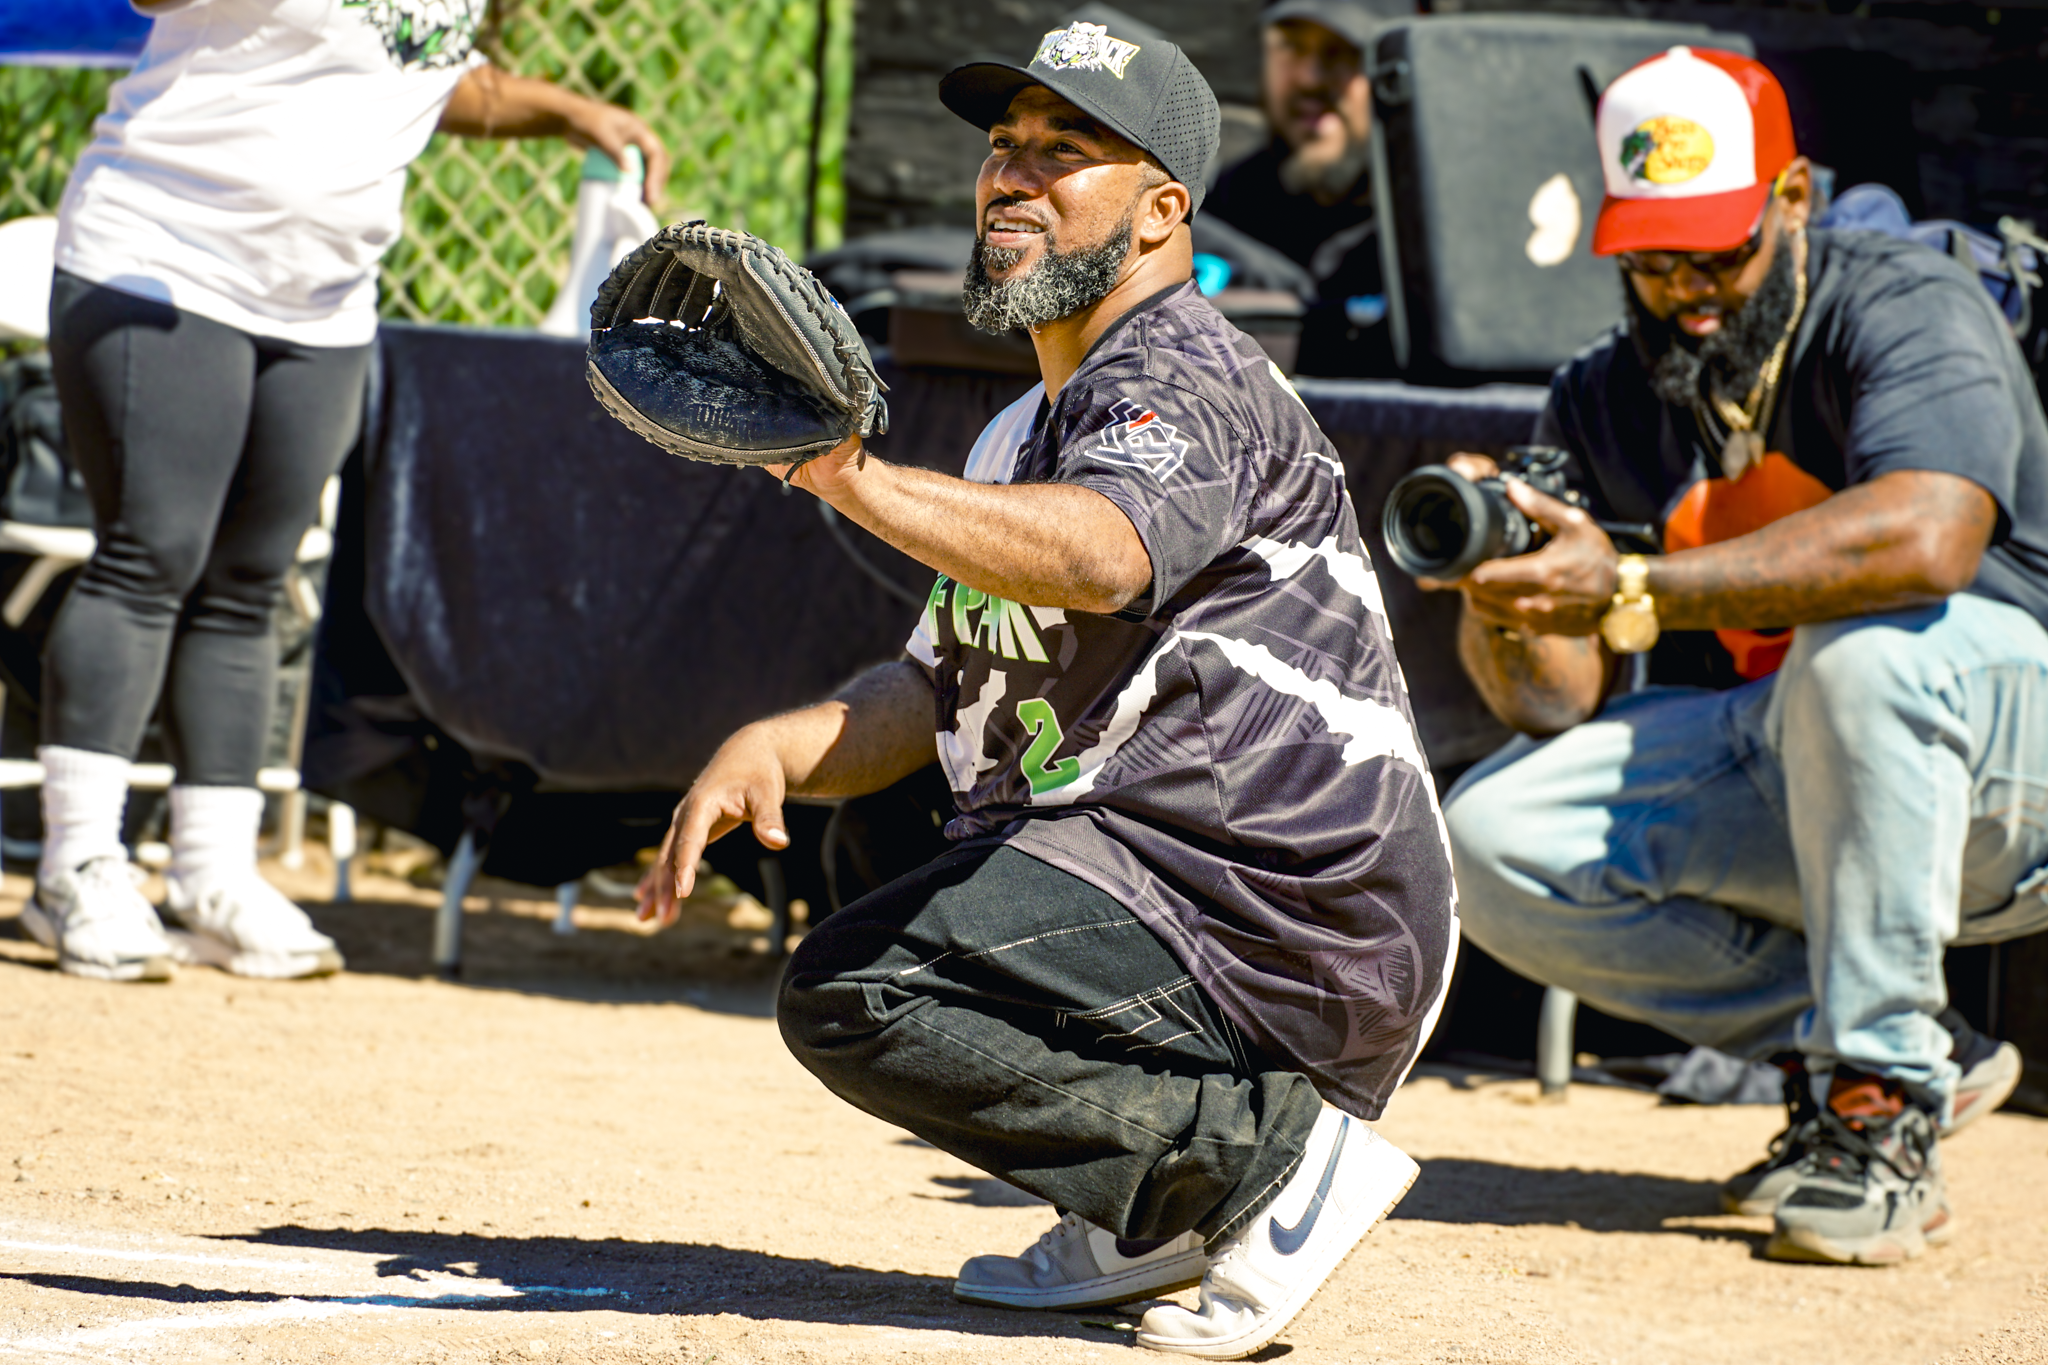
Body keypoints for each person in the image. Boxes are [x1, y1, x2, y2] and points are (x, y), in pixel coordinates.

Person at [634, 18, 1455, 1356]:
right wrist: (784, 739)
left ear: (1159, 214)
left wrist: (849, 472)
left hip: (1279, 907)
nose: (1013, 177)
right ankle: (1149, 1212)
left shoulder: (1182, 372)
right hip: (1177, 883)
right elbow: (940, 686)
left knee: (856, 990)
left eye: (1065, 155)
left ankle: (1257, 1167)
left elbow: (1100, 554)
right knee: (881, 834)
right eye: (1003, 149)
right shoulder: (1029, 423)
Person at [1433, 46, 2048, 1267]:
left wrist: (1630, 585)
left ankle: (1878, 1105)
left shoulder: (1901, 299)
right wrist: (1496, 593)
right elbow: (1555, 705)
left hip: (2007, 763)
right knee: (1495, 836)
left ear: (1793, 198)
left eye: (1715, 249)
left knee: (1855, 654)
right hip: (1812, 764)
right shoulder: (1605, 394)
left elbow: (1929, 538)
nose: (1686, 290)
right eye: (1651, 260)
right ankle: (1896, 1048)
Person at [27, 0, 668, 982]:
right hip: (164, 253)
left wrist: (573, 111)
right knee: (150, 554)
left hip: (320, 299)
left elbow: (415, 69)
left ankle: (212, 875)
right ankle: (75, 866)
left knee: (249, 581)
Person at [1204, 0, 1411, 378]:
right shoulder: (1222, 211)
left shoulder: (1427, 231)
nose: (1310, 77)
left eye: (1343, 52)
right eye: (1293, 46)